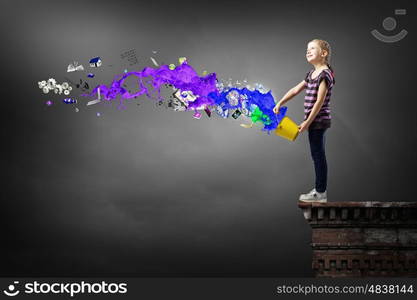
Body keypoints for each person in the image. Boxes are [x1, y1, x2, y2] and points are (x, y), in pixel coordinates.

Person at [273, 39, 335, 202]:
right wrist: (280, 102)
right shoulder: (311, 74)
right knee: (317, 154)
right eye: (307, 48)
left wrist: (307, 122)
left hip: (318, 121)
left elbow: (319, 101)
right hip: (313, 121)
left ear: (324, 53)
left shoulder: (325, 74)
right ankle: (320, 191)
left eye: (312, 48)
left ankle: (321, 192)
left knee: (318, 155)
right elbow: (295, 90)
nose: (308, 51)